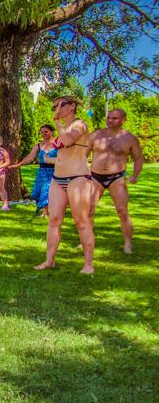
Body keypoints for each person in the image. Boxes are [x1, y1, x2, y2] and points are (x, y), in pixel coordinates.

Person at [35, 96, 95, 274]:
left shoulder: (80, 125)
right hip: (57, 178)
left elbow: (68, 141)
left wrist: (56, 122)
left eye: (61, 105)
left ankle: (88, 265)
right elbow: (62, 153)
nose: (57, 108)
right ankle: (49, 261)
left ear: (72, 106)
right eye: (55, 106)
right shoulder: (63, 128)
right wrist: (49, 159)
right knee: (54, 220)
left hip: (78, 178)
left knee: (81, 221)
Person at [89, 108, 144, 254]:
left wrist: (135, 174)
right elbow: (82, 155)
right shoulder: (95, 135)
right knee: (89, 210)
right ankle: (86, 241)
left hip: (117, 178)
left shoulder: (130, 138)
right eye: (109, 117)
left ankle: (128, 243)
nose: (110, 121)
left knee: (122, 211)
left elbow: (138, 158)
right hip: (95, 177)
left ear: (123, 120)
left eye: (114, 118)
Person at [14, 124, 58, 216]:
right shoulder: (38, 145)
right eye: (42, 132)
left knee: (46, 190)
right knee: (38, 191)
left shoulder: (57, 144)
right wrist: (20, 164)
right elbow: (30, 156)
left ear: (52, 132)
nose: (44, 134)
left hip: (54, 171)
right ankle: (43, 209)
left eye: (46, 132)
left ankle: (45, 212)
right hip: (41, 172)